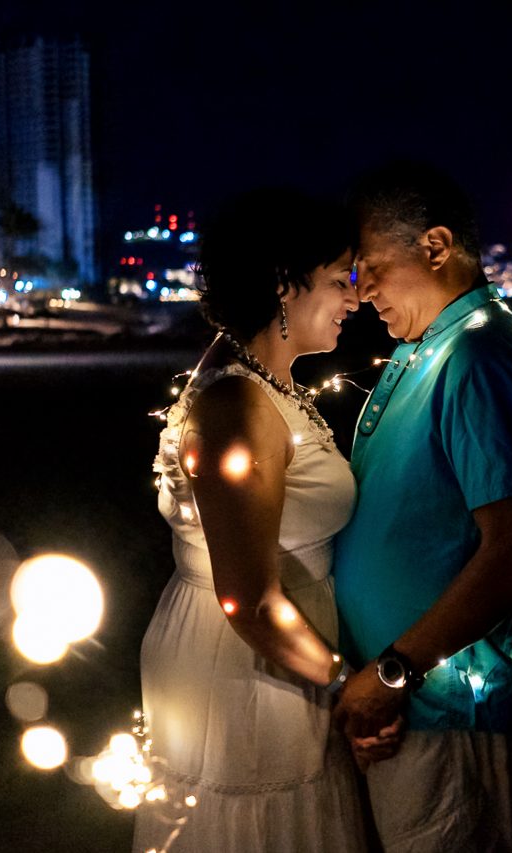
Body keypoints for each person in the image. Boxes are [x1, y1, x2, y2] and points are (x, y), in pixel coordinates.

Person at [134, 188, 369, 853]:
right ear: (282, 284)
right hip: (246, 660)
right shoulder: (238, 404)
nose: (353, 298)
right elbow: (249, 599)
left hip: (269, 652)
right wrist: (348, 686)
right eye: (336, 279)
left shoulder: (263, 383)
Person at [331, 163, 512, 851]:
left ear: (435, 246)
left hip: (446, 709)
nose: (360, 289)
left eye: (371, 266)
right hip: (407, 709)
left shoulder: (478, 357)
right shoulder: (428, 348)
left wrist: (394, 669)